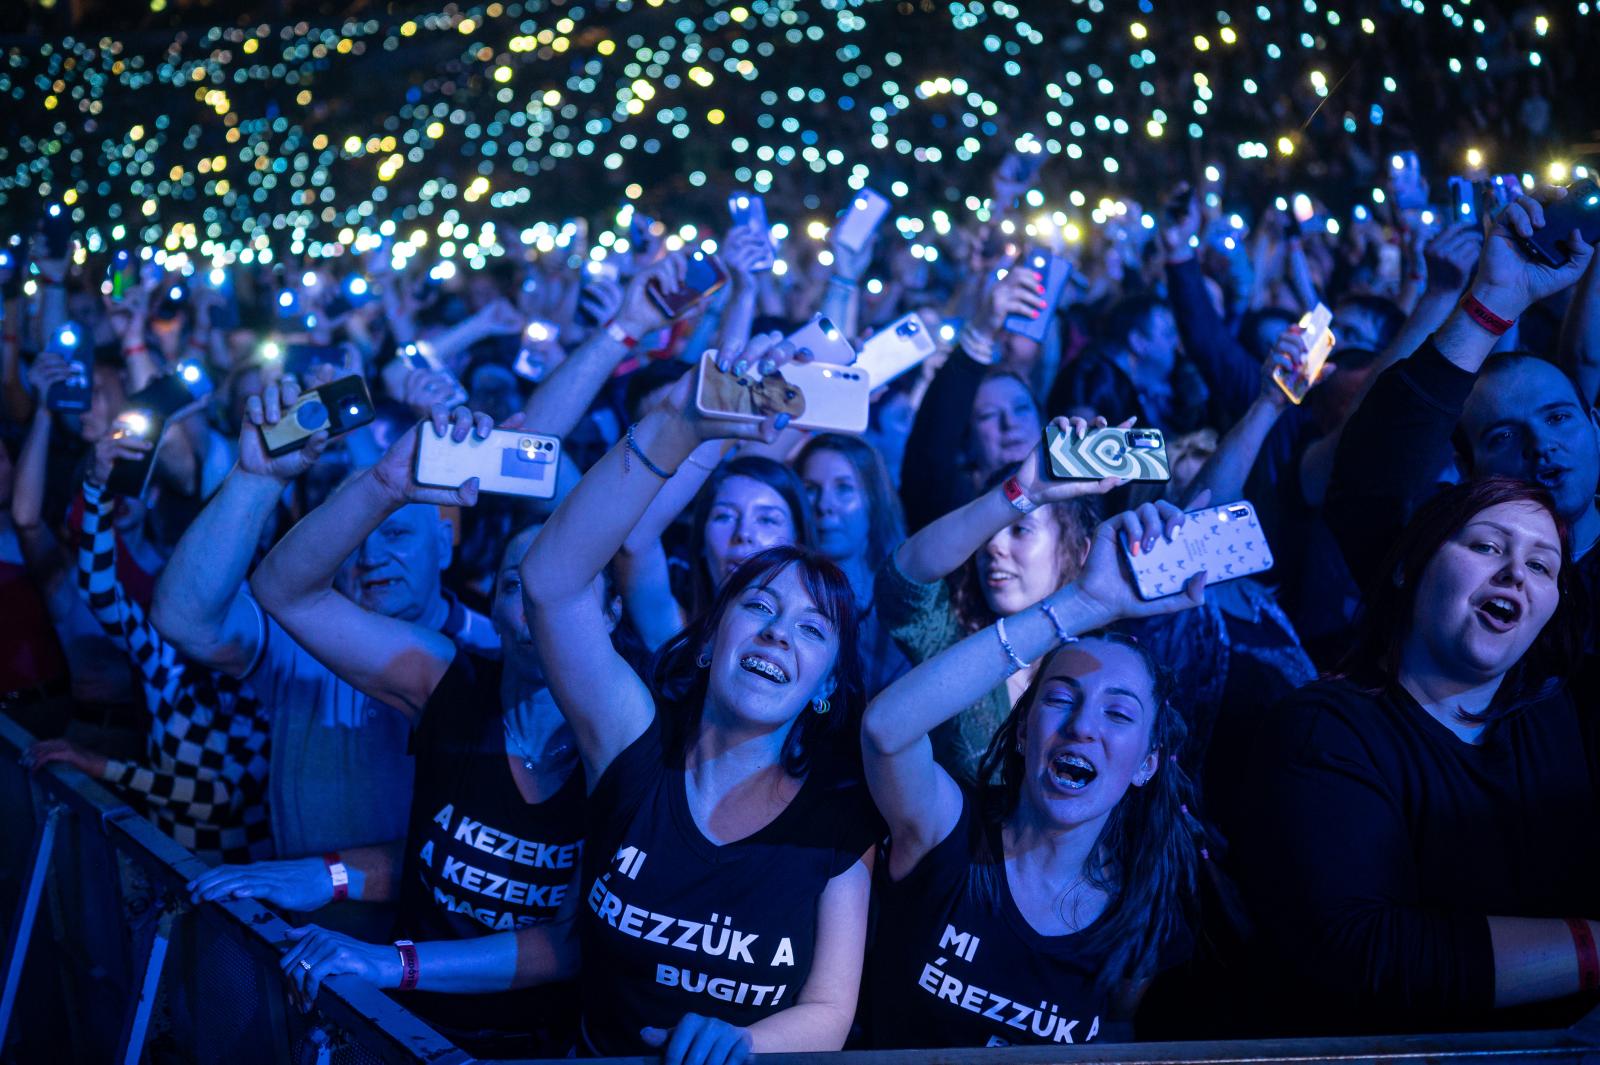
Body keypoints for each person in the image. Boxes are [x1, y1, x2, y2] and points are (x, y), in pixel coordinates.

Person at [520, 330, 879, 1062]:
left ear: (826, 686)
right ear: (712, 638)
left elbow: (829, 1011)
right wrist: (685, 420)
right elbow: (551, 582)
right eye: (759, 608)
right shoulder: (634, 744)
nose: (780, 633)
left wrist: (740, 1039)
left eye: (812, 627)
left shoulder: (840, 816)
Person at [193, 407, 587, 1057]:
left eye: (565, 585)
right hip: (403, 1031)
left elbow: (567, 941)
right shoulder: (451, 681)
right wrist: (382, 485)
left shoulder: (629, 734)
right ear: (495, 602)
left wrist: (392, 959)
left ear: (609, 607)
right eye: (519, 585)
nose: (540, 604)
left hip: (536, 1044)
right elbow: (282, 590)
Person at [1231, 477, 1598, 1035]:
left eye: (1542, 566)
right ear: (1409, 567)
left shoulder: (1556, 717)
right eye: (1487, 547)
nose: (1515, 573)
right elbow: (1365, 950)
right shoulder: (1323, 729)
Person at [862, 498, 1209, 1046]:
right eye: (1060, 698)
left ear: (1147, 764)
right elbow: (885, 730)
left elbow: (1122, 1034)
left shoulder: (1141, 908)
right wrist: (1080, 605)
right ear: (1023, 731)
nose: (1082, 726)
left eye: (1118, 713)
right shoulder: (948, 833)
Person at [148, 370, 478, 933]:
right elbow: (183, 619)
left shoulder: (495, 650)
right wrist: (255, 478)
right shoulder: (303, 637)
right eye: (353, 541)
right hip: (301, 936)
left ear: (444, 545)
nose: (371, 558)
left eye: (397, 536)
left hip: (430, 957)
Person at [1326, 188, 1600, 649]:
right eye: (1504, 435)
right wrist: (1492, 298)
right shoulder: (1453, 591)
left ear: (1595, 423)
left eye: (1558, 418)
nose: (1540, 445)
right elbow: (1370, 473)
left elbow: (1586, 356)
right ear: (1465, 467)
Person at [24, 427, 272, 864]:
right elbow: (101, 592)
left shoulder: (266, 678)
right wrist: (97, 487)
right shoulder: (167, 657)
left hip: (237, 877)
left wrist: (100, 766)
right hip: (166, 856)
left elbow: (219, 799)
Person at [876, 417, 1115, 780]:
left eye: (1020, 531)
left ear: (1081, 551)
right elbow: (902, 580)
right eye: (988, 534)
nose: (994, 546)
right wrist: (1022, 492)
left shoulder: (1106, 661)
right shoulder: (950, 640)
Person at [796, 433, 910, 696]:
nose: (824, 505)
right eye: (810, 489)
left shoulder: (906, 602)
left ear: (873, 500)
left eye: (844, 488)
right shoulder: (785, 596)